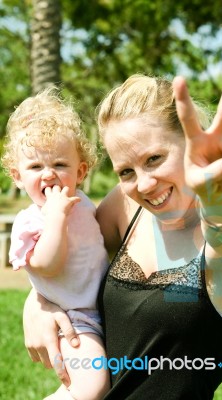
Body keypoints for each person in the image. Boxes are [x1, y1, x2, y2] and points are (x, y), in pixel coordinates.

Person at [22, 71, 222, 399]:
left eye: (154, 159)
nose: (145, 184)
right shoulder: (126, 208)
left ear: (190, 143)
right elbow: (72, 259)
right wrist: (37, 301)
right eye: (126, 171)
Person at [1, 88, 110, 400]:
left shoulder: (85, 204)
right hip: (73, 319)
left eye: (60, 165)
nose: (48, 174)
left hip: (102, 309)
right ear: (17, 176)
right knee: (92, 388)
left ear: (81, 171)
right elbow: (48, 266)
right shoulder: (30, 221)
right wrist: (55, 219)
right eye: (35, 167)